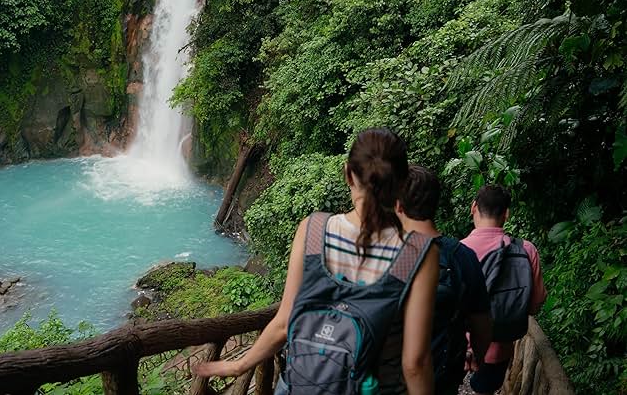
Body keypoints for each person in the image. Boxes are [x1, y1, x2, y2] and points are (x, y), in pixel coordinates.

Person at [193, 128, 440, 395]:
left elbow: (284, 322)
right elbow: (415, 363)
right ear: (403, 184)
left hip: (300, 386)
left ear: (347, 174)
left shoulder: (313, 230)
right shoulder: (417, 253)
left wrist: (240, 364)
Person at [396, 165, 493, 395]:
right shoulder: (462, 256)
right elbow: (482, 324)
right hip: (441, 376)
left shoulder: (380, 253)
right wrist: (477, 357)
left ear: (397, 205)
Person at [461, 185, 547, 395]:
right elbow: (535, 304)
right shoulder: (526, 249)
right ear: (507, 213)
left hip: (460, 349)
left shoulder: (459, 251)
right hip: (500, 349)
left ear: (473, 207)